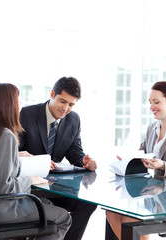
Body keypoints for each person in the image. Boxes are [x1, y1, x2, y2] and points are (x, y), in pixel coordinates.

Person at [0, 83, 72, 240]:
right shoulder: (5, 136)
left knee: (48, 204)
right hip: (2, 209)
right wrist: (30, 180)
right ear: (11, 105)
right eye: (18, 101)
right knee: (63, 218)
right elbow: (3, 188)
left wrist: (15, 155)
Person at [106, 81, 166, 240]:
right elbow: (142, 152)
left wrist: (162, 165)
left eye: (156, 102)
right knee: (111, 211)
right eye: (150, 103)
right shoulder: (152, 128)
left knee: (130, 219)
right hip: (151, 192)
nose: (151, 107)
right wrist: (128, 158)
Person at [19, 76, 97, 240]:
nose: (66, 108)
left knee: (87, 203)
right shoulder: (27, 114)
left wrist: (84, 161)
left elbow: (74, 150)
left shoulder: (74, 119)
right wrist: (37, 162)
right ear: (52, 93)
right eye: (62, 101)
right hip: (31, 187)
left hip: (55, 187)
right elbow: (15, 153)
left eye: (71, 104)